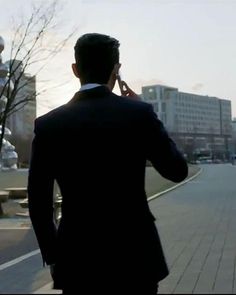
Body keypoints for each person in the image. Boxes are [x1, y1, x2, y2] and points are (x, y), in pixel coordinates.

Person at [28, 33, 188, 294]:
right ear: (117, 69)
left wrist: (54, 255)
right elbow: (177, 171)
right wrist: (149, 117)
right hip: (136, 257)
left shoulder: (48, 125)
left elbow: (38, 200)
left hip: (78, 260)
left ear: (75, 69)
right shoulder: (139, 114)